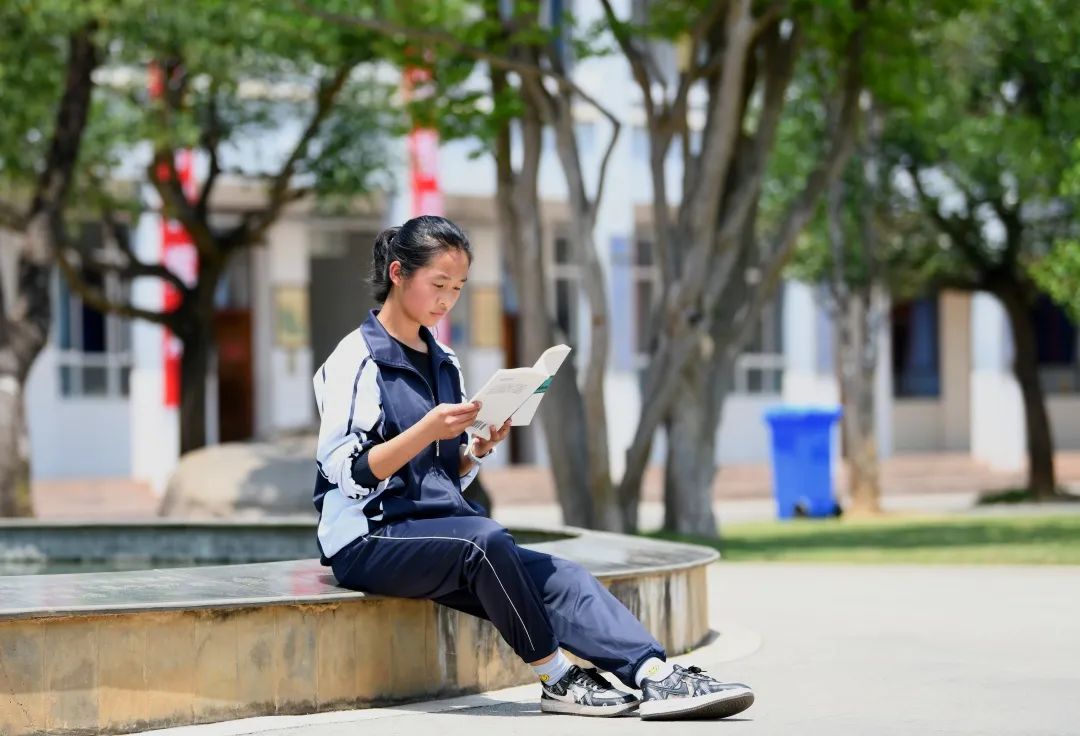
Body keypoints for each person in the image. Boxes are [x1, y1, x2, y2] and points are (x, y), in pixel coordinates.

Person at [312, 215, 754, 720]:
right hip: (368, 538)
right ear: (397, 273)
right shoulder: (355, 360)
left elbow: (435, 473)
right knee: (487, 542)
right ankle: (556, 677)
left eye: (457, 288)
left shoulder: (444, 360)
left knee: (564, 577)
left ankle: (656, 675)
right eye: (438, 285)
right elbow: (346, 473)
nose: (447, 300)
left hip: (435, 528)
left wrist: (473, 451)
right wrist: (427, 430)